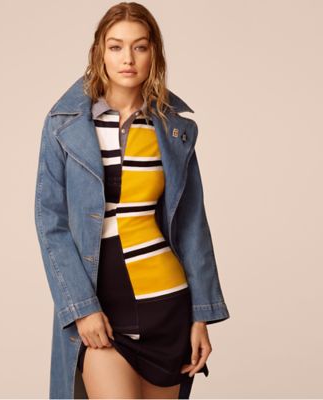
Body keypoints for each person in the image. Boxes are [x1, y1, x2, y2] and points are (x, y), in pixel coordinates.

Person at [34, 2, 230, 399]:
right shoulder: (64, 125)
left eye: (140, 47)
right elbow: (50, 221)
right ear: (99, 52)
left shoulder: (173, 130)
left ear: (153, 53)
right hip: (101, 311)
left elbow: (192, 225)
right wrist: (82, 308)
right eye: (116, 46)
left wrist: (200, 316)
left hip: (167, 307)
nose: (128, 58)